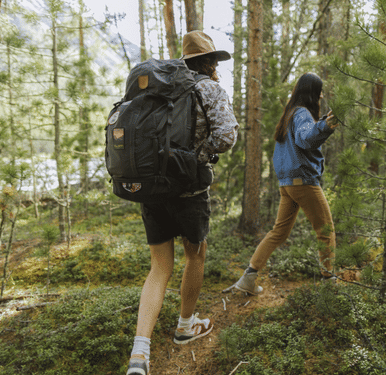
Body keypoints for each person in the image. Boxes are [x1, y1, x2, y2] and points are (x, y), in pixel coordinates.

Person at [127, 30, 239, 375]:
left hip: (151, 188)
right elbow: (226, 137)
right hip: (189, 190)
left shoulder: (157, 89)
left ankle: (139, 354)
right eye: (215, 62)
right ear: (209, 62)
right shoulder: (208, 88)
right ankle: (185, 325)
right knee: (196, 255)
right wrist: (194, 157)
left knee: (159, 267)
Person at [228, 72, 340, 296]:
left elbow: (299, 139)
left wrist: (322, 124)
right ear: (312, 93)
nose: (320, 98)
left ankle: (248, 278)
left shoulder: (290, 114)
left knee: (278, 232)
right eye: (319, 93)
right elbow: (306, 138)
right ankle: (329, 282)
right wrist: (326, 126)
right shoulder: (302, 113)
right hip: (303, 182)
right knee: (326, 230)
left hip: (288, 184)